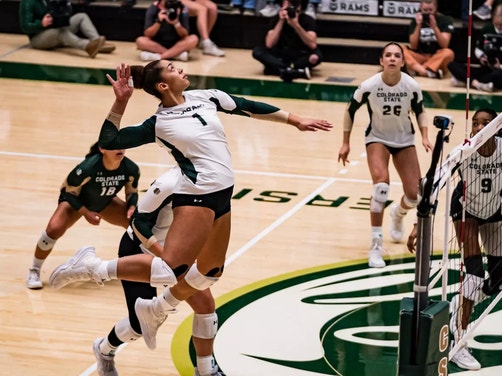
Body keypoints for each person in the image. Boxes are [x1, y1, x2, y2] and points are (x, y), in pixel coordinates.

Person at [49, 60, 331, 352]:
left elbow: (247, 105)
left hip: (222, 193)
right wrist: (121, 101)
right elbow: (109, 140)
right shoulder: (158, 123)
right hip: (197, 193)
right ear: (163, 85)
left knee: (210, 271)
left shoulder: (207, 97)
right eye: (173, 68)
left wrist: (294, 119)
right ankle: (93, 267)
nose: (181, 68)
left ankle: (158, 307)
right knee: (172, 267)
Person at [50, 167, 225, 376]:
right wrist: (167, 258)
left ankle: (205, 371)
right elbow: (138, 223)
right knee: (138, 327)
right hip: (139, 248)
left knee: (205, 306)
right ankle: (105, 350)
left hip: (176, 252)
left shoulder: (211, 180)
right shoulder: (169, 183)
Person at [408, 107, 502, 370]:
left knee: (500, 281)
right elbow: (434, 185)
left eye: (486, 122)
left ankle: (462, 302)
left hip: (493, 212)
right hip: (464, 211)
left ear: (496, 126)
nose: (480, 127)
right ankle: (460, 340)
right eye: (475, 123)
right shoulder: (463, 151)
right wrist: (419, 224)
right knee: (473, 276)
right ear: (471, 128)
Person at [337, 42, 433, 268]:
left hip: (404, 140)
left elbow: (420, 111)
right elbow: (349, 110)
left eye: (396, 56)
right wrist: (345, 142)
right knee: (381, 187)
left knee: (414, 196)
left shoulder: (411, 85)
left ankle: (397, 213)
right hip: (377, 138)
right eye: (387, 55)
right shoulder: (369, 85)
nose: (392, 59)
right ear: (381, 61)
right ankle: (376, 245)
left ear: (402, 61)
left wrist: (425, 136)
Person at [26, 143, 140, 289]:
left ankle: (142, 266)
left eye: (122, 145)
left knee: (138, 224)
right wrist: (86, 212)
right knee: (54, 229)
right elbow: (66, 191)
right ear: (102, 149)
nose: (120, 149)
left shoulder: (131, 168)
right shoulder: (87, 168)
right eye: (114, 146)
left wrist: (131, 207)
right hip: (77, 201)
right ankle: (34, 270)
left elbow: (132, 191)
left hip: (104, 200)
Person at [448, 3, 502, 92]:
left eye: (501, 24)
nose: (498, 27)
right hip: (485, 69)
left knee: (498, 77)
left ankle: (466, 82)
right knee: (452, 65)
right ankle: (477, 84)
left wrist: (501, 66)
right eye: (496, 24)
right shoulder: (487, 29)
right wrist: (481, 56)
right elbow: (478, 49)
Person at [252, 0, 322, 82]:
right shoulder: (276, 19)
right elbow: (269, 44)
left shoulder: (308, 20)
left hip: (299, 55)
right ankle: (295, 71)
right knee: (257, 51)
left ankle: (277, 69)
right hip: (280, 55)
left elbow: (312, 44)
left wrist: (296, 25)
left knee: (315, 57)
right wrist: (281, 22)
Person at [18, 0, 114, 58]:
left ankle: (96, 42)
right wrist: (41, 23)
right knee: (61, 32)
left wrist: (63, 12)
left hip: (54, 29)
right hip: (37, 38)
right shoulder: (27, 2)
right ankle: (88, 47)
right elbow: (25, 27)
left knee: (81, 16)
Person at [403, 0, 455, 79]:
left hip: (437, 57)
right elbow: (413, 46)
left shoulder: (445, 20)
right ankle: (425, 71)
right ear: (420, 8)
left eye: (430, 10)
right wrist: (418, 26)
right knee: (400, 49)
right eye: (425, 10)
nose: (428, 13)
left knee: (449, 53)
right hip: (420, 56)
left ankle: (419, 70)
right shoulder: (415, 21)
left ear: (436, 8)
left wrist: (435, 27)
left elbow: (444, 44)